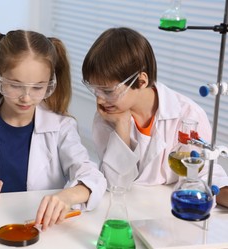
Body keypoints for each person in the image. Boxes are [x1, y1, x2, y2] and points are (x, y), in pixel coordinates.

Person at [0, 30, 107, 230]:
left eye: (38, 87)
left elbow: (93, 176)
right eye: (15, 85)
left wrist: (67, 196)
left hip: (43, 232)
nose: (26, 97)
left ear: (51, 81)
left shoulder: (61, 128)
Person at [81, 27, 228, 207]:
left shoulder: (188, 114)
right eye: (95, 90)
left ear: (142, 81)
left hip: (172, 210)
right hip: (128, 207)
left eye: (108, 91)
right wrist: (122, 126)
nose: (100, 99)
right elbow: (116, 184)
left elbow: (205, 173)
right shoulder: (107, 117)